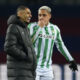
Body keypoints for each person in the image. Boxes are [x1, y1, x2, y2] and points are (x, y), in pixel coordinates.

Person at [28, 6, 78, 80]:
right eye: (39, 15)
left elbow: (61, 46)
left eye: (44, 15)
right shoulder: (31, 26)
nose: (41, 17)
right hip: (33, 67)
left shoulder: (55, 29)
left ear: (49, 16)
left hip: (47, 69)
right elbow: (29, 43)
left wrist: (71, 60)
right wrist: (39, 28)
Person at [4, 6, 37, 80]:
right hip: (19, 73)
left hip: (27, 72)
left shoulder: (25, 29)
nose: (30, 15)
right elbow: (9, 47)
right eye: (28, 13)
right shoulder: (13, 27)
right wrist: (25, 56)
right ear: (19, 14)